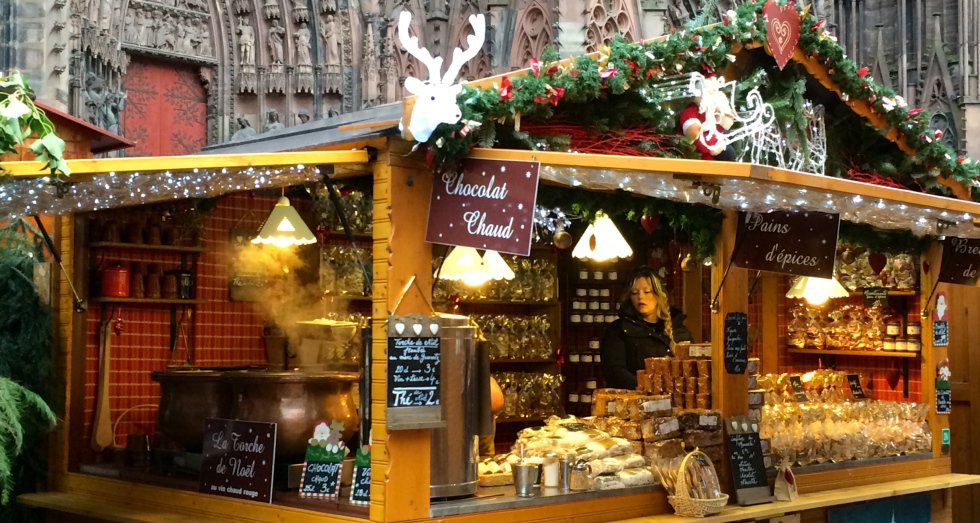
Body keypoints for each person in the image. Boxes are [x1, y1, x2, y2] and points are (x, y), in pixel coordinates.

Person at [600, 267, 692, 389]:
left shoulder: (679, 330)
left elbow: (692, 368)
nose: (640, 297)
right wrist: (647, 387)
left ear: (659, 294)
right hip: (637, 397)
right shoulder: (618, 330)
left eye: (647, 291)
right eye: (634, 293)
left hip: (675, 397)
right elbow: (614, 371)